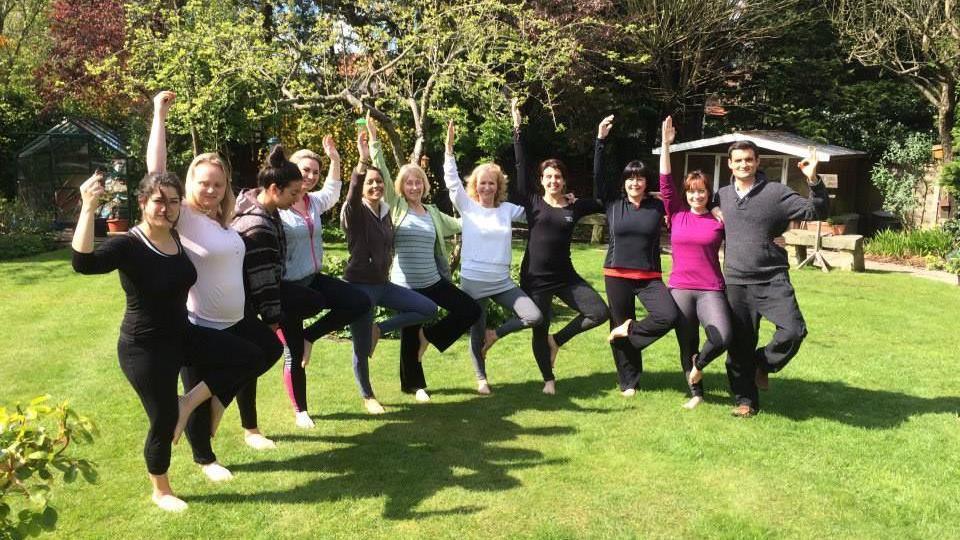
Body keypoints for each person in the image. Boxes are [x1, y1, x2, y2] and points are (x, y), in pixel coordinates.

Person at [71, 171, 260, 512]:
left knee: (248, 356)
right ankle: (161, 489)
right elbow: (84, 264)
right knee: (162, 420)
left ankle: (188, 402)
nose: (168, 208)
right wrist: (88, 207)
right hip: (145, 348)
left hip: (182, 335)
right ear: (143, 202)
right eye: (159, 201)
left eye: (174, 202)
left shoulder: (175, 236)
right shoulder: (128, 244)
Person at [147, 91, 283, 484]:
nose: (211, 190)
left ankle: (192, 402)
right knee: (208, 383)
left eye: (218, 184)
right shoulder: (184, 216)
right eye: (204, 183)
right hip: (202, 322)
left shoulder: (226, 219)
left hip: (237, 318)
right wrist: (159, 114)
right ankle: (205, 459)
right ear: (191, 183)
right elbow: (156, 172)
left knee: (270, 349)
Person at [368, 118, 481, 402]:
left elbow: (459, 225)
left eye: (418, 181)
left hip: (433, 280)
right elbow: (381, 167)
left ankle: (430, 338)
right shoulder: (396, 206)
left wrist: (482, 209)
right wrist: (374, 141)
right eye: (409, 182)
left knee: (469, 310)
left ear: (424, 184)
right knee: (410, 333)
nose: (414, 186)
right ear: (401, 186)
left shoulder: (431, 212)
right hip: (404, 283)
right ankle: (414, 385)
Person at [717, 140, 827, 417]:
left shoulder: (776, 192)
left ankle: (762, 364)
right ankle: (745, 401)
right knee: (739, 344)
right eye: (738, 160)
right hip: (736, 281)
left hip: (772, 278)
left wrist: (813, 179)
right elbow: (694, 206)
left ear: (757, 162)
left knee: (793, 331)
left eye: (749, 160)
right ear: (730, 164)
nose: (744, 164)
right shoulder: (723, 196)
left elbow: (816, 211)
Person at [511, 98, 610, 394]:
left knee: (599, 313)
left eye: (558, 177)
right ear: (541, 180)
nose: (553, 180)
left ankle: (558, 341)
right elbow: (519, 165)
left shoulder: (575, 206)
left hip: (565, 276)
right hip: (536, 278)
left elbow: (602, 194)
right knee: (539, 326)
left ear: (565, 181)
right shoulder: (532, 201)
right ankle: (548, 380)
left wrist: (600, 142)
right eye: (548, 176)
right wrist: (517, 129)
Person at [340, 126, 437, 414]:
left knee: (427, 308)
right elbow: (353, 192)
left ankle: (378, 329)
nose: (374, 187)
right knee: (360, 349)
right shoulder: (355, 212)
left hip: (383, 284)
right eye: (370, 183)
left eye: (378, 183)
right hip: (359, 288)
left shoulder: (385, 213)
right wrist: (362, 163)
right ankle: (368, 395)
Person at [443, 120, 543, 395]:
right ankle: (481, 378)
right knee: (476, 330)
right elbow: (452, 182)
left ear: (498, 186)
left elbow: (540, 212)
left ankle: (494, 334)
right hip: (473, 283)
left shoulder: (508, 210)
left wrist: (561, 199)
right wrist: (449, 149)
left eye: (492, 183)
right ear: (475, 185)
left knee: (533, 315)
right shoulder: (468, 207)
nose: (487, 187)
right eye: (482, 183)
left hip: (501, 282)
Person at [279, 139, 369, 428]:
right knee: (292, 354)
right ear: (292, 170)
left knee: (359, 302)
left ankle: (310, 336)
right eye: (305, 170)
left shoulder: (313, 202)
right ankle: (300, 410)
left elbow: (333, 189)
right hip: (288, 288)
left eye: (315, 172)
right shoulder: (278, 205)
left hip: (313, 280)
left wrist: (335, 158)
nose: (310, 176)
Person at [594, 116, 679, 396]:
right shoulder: (613, 203)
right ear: (624, 182)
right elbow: (599, 178)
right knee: (619, 320)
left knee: (667, 315)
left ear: (646, 181)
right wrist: (601, 141)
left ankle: (627, 332)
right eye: (630, 178)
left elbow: (675, 191)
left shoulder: (657, 206)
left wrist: (666, 145)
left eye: (640, 177)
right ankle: (629, 382)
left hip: (649, 277)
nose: (635, 182)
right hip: (617, 274)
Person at [656, 116, 730, 409]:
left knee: (721, 335)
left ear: (708, 193)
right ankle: (696, 393)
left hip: (711, 288)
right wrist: (665, 145)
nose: (697, 195)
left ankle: (699, 366)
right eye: (692, 191)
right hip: (680, 289)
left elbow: (752, 227)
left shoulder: (719, 219)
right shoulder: (676, 214)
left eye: (701, 191)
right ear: (686, 194)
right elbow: (664, 182)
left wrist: (775, 239)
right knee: (686, 343)